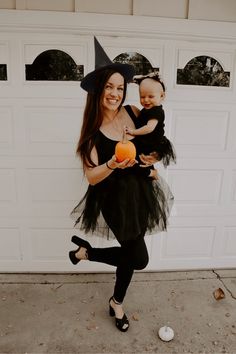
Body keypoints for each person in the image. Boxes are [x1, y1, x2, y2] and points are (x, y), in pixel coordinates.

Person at [69, 37, 173, 333]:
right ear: (98, 90)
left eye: (119, 87)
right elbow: (91, 176)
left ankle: (116, 301)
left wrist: (154, 157)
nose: (115, 93)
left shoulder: (132, 112)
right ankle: (87, 254)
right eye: (109, 87)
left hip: (141, 193)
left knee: (129, 253)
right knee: (138, 257)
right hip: (114, 200)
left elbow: (154, 137)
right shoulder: (92, 133)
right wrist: (113, 164)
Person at [125, 73, 176, 168]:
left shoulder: (156, 111)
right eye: (142, 97)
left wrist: (133, 132)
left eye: (151, 96)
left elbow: (149, 128)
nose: (146, 100)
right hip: (146, 142)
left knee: (144, 162)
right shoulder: (146, 110)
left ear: (162, 96)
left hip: (153, 144)